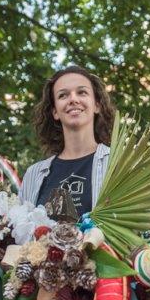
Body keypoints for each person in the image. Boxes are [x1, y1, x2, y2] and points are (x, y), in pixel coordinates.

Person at [19, 66, 114, 213]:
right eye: (63, 95)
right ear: (55, 112)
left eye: (82, 92)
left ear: (97, 105)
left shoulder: (116, 163)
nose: (73, 99)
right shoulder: (34, 174)